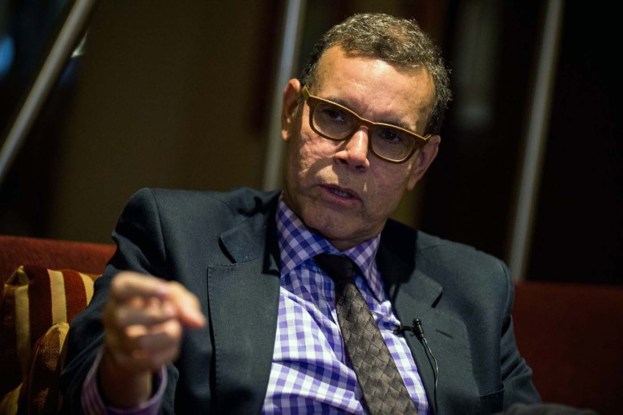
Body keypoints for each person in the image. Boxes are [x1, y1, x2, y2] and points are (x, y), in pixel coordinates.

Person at [60, 12, 541, 414]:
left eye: (391, 137)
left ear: (421, 162)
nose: (355, 153)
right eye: (334, 116)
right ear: (292, 111)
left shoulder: (476, 287)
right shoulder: (176, 234)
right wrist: (125, 370)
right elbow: (87, 391)